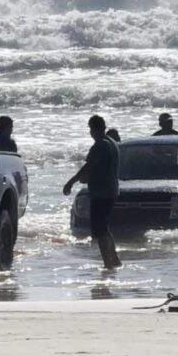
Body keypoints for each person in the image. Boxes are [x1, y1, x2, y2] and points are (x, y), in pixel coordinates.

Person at [63, 115, 122, 269]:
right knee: (104, 227)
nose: (90, 132)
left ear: (95, 129)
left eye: (91, 129)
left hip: (101, 193)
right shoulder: (112, 143)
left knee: (100, 230)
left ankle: (108, 262)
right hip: (111, 191)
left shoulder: (100, 145)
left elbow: (88, 166)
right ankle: (114, 259)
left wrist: (71, 181)